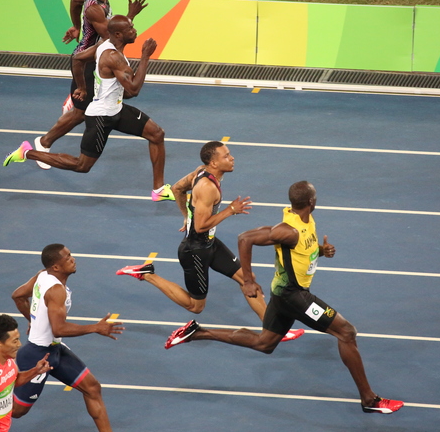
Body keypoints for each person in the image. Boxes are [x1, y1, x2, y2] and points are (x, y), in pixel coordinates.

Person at [163, 181, 405, 415]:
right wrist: (247, 280)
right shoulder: (287, 230)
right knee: (346, 332)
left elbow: (302, 249)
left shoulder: (305, 218)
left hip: (283, 296)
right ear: (311, 201)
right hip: (295, 296)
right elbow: (245, 238)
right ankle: (369, 399)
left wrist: (321, 250)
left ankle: (198, 332)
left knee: (264, 344)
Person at [116, 141, 304, 341]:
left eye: (229, 154)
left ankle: (274, 329)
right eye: (226, 156)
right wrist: (230, 210)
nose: (231, 158)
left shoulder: (201, 172)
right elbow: (200, 227)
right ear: (213, 163)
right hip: (194, 251)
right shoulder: (207, 187)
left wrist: (187, 216)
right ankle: (147, 275)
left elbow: (178, 189)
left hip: (210, 244)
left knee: (247, 279)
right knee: (196, 306)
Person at [3, 15, 172, 202]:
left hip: (116, 109)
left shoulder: (104, 45)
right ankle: (27, 152)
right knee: (82, 166)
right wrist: (145, 57)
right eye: (130, 28)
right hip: (101, 117)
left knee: (156, 134)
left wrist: (81, 87)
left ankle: (159, 189)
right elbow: (134, 88)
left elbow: (77, 58)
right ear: (118, 34)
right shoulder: (113, 57)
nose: (135, 31)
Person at [11, 243, 144, 432]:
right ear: (55, 267)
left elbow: (18, 295)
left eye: (70, 254)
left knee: (92, 388)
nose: (73, 259)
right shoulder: (56, 290)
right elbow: (58, 328)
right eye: (67, 257)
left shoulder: (41, 276)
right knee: (16, 411)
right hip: (37, 356)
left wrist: (33, 319)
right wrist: (95, 328)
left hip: (55, 350)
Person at [34, 0, 148, 171]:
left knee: (119, 96)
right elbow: (111, 36)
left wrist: (76, 27)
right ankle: (43, 143)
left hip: (97, 61)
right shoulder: (95, 8)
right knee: (79, 114)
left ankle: (76, 97)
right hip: (86, 62)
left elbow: (73, 0)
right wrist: (130, 16)